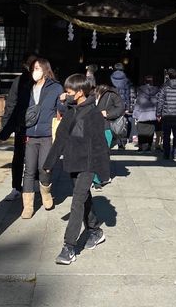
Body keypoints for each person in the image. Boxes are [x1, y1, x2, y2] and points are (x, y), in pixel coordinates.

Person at [44, 74, 110, 265]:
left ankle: (69, 246)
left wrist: (104, 174)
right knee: (83, 198)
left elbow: (100, 145)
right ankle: (95, 230)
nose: (66, 94)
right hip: (73, 162)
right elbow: (60, 140)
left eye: (69, 92)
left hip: (88, 165)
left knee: (76, 203)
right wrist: (49, 163)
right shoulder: (71, 112)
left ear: (80, 93)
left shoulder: (94, 114)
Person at [21, 57, 63, 219]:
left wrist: (64, 102)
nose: (35, 71)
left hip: (46, 134)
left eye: (38, 68)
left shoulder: (56, 87)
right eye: (33, 68)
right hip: (30, 133)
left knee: (44, 168)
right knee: (29, 170)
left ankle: (46, 192)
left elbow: (61, 109)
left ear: (45, 69)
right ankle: (28, 206)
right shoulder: (28, 87)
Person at [0, 53, 37, 202]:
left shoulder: (45, 82)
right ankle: (16, 187)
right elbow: (11, 103)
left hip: (39, 126)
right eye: (30, 63)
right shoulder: (19, 81)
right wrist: (7, 124)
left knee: (38, 156)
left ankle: (36, 183)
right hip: (22, 124)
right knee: (19, 157)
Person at [93, 83, 125, 188]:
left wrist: (107, 114)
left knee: (102, 153)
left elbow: (120, 108)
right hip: (92, 126)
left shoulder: (112, 94)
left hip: (105, 127)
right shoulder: (91, 94)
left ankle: (99, 179)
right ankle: (97, 178)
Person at [156, 68, 176, 160]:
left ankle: (166, 154)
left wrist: (158, 114)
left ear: (168, 76)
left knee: (166, 135)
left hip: (166, 114)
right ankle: (175, 153)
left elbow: (160, 101)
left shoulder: (164, 87)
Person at [133, 75, 159, 151]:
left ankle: (140, 147)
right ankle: (149, 146)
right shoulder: (156, 91)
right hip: (152, 115)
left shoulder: (141, 91)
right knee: (150, 131)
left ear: (145, 81)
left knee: (141, 131)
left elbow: (138, 103)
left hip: (142, 115)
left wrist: (136, 115)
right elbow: (158, 103)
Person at [110, 62, 132, 148]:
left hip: (112, 102)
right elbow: (128, 94)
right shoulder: (126, 80)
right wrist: (128, 105)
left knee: (113, 121)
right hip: (123, 102)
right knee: (123, 122)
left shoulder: (110, 78)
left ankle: (114, 138)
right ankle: (122, 141)